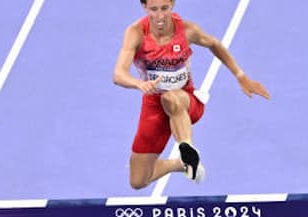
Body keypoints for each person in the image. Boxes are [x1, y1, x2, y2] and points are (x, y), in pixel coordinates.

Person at [113, 0, 270, 189]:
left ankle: (187, 149)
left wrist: (241, 76)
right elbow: (118, 74)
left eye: (164, 8)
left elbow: (214, 44)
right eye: (153, 9)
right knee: (138, 181)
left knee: (170, 98)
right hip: (153, 106)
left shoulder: (187, 30)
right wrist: (139, 83)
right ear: (144, 7)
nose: (160, 16)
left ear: (172, 4)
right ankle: (181, 164)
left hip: (186, 102)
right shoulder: (136, 33)